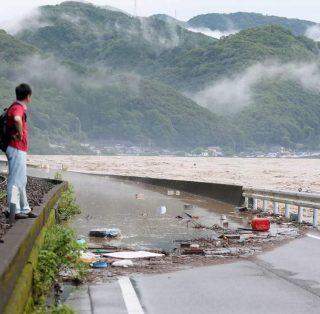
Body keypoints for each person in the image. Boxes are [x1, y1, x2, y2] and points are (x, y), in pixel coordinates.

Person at [5, 83, 36, 219]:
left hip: (19, 148)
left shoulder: (14, 107)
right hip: (16, 148)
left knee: (21, 180)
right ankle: (14, 211)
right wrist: (20, 133)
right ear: (28, 96)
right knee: (14, 180)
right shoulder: (18, 108)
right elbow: (17, 119)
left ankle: (25, 209)